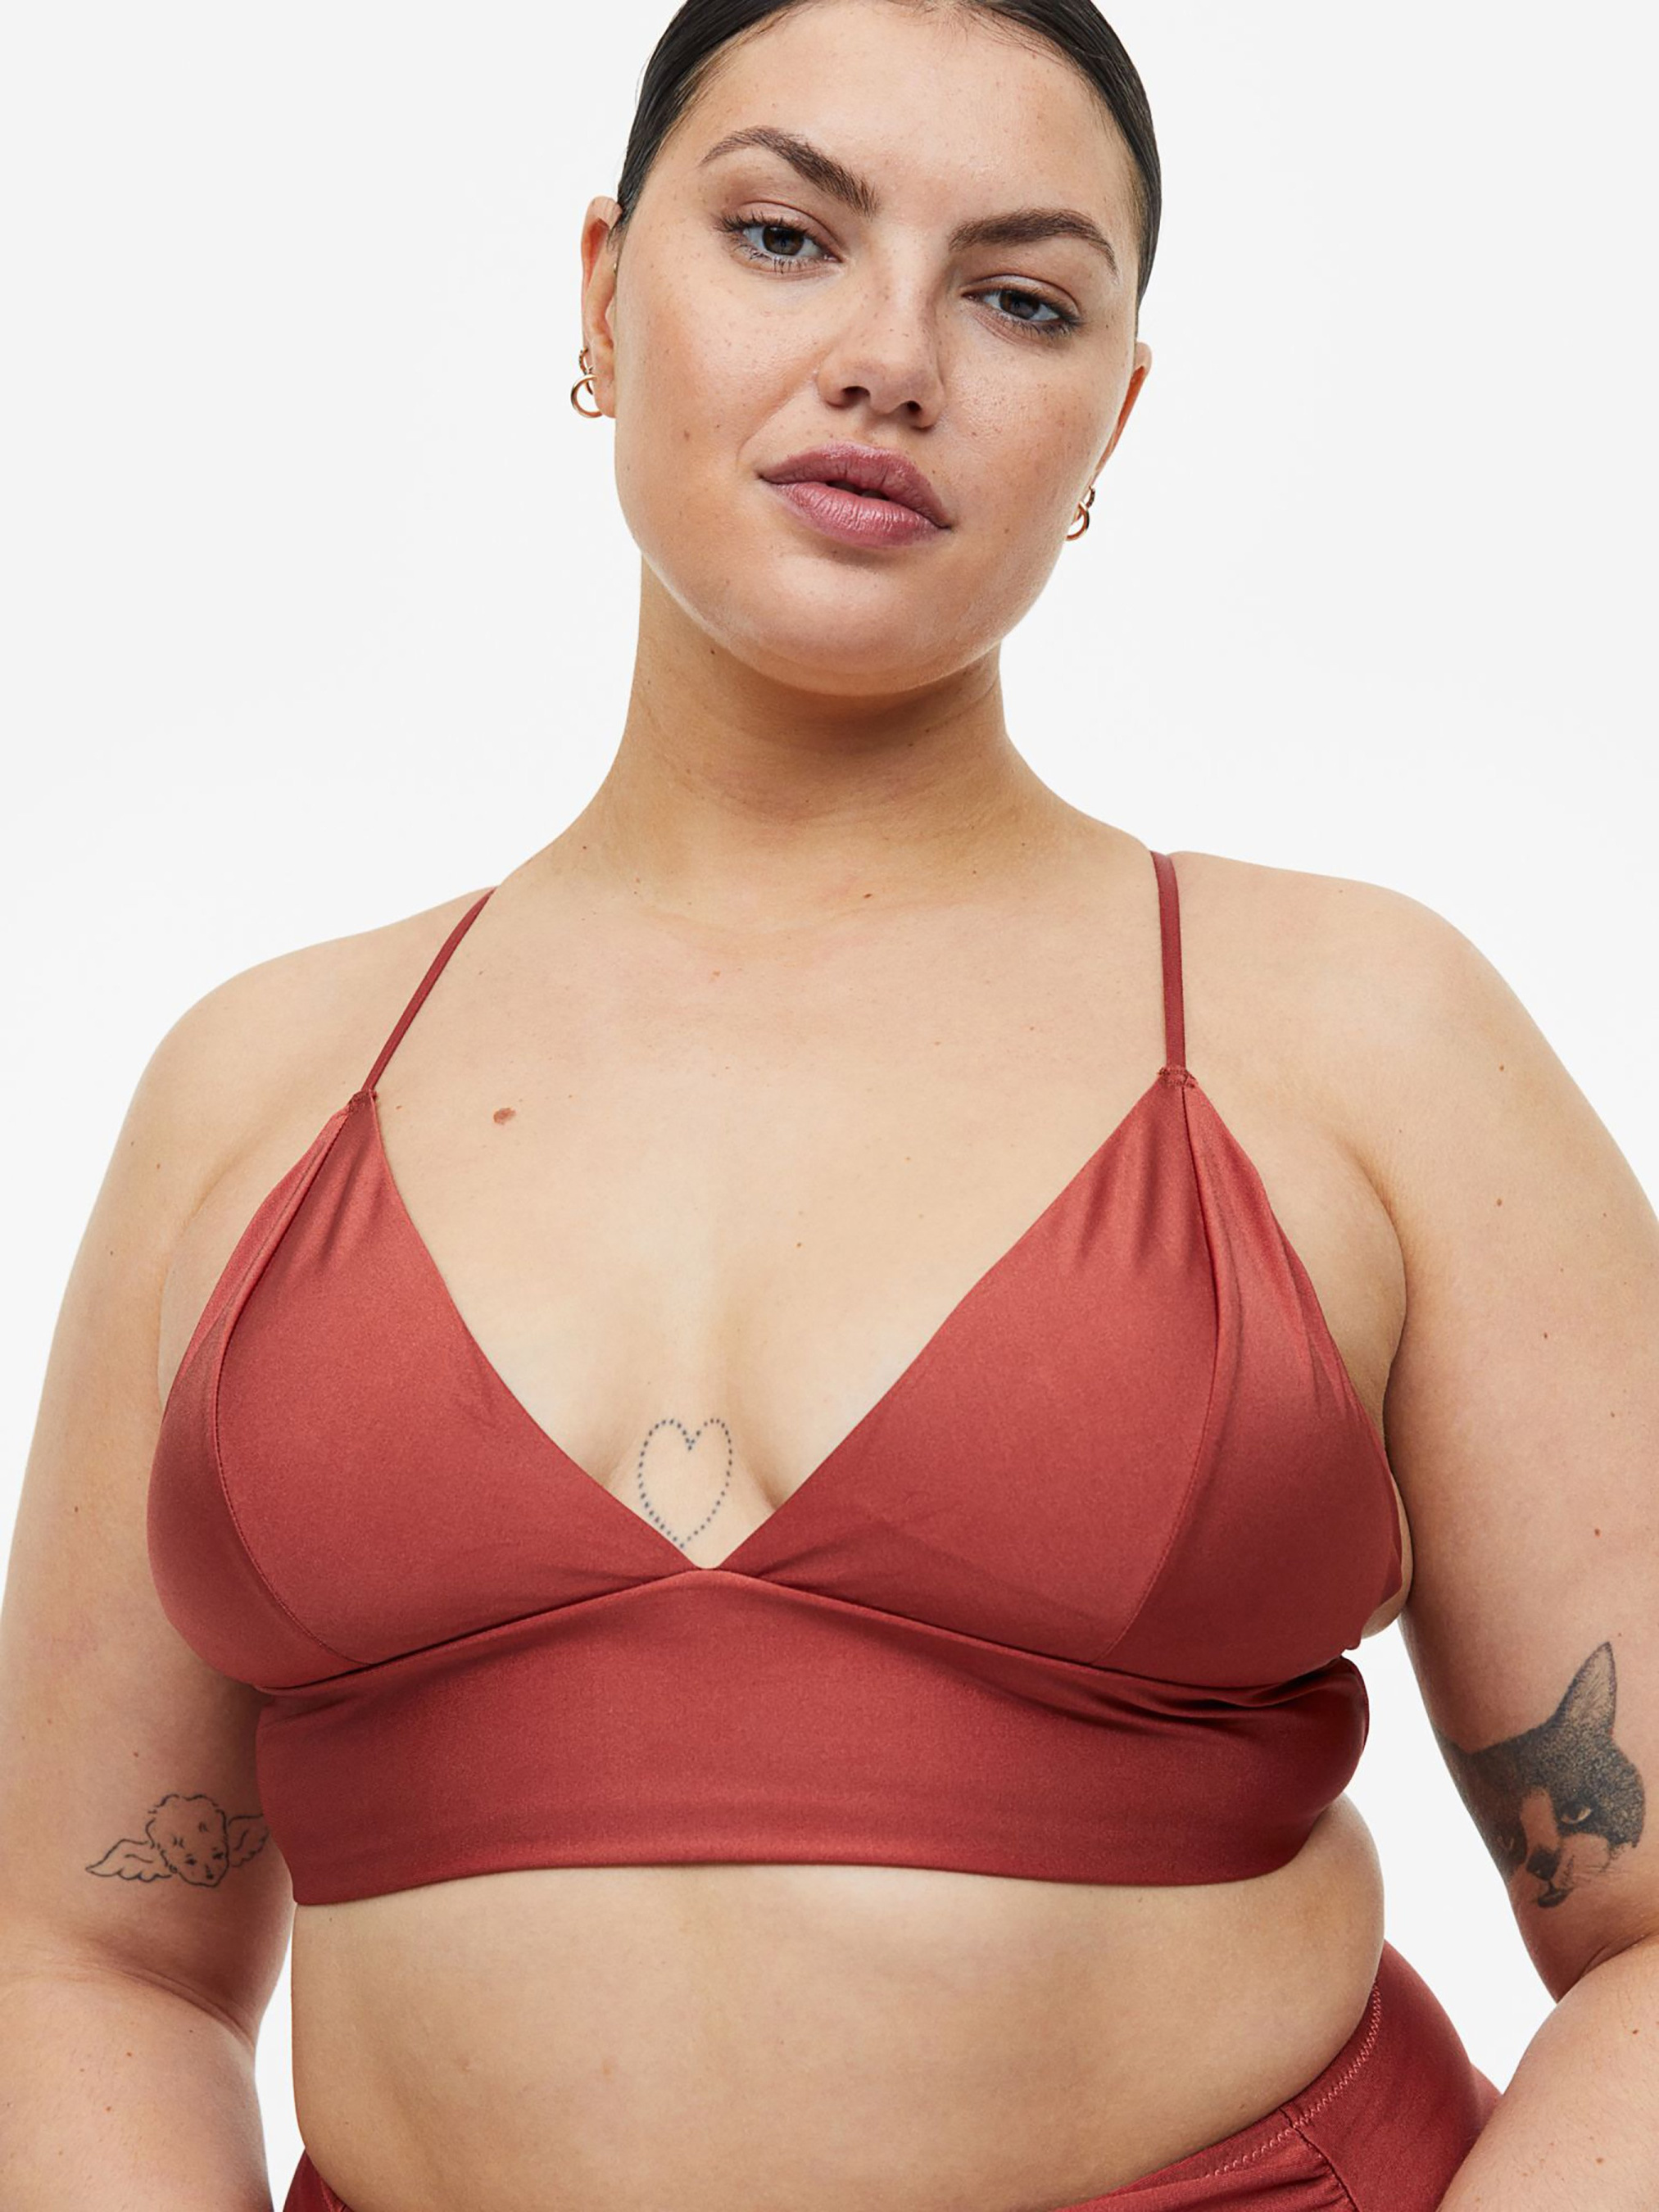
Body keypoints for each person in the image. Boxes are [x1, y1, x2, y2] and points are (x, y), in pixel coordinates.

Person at [4, 2, 1656, 2207]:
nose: (891, 359)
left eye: (1021, 297)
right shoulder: (256, 1088)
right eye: (785, 236)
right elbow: (91, 1960)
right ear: (604, 293)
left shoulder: (1366, 1036)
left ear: (1112, 415)